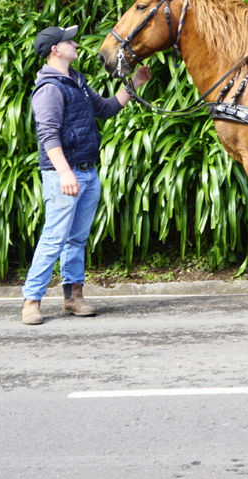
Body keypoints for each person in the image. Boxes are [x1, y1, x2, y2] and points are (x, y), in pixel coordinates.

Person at [20, 25, 151, 325]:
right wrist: (65, 173)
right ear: (55, 50)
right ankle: (31, 301)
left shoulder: (76, 81)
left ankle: (73, 297)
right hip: (63, 175)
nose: (75, 43)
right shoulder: (50, 88)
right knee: (54, 237)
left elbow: (104, 109)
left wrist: (133, 83)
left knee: (76, 239)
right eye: (69, 41)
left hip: (87, 172)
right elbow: (49, 136)